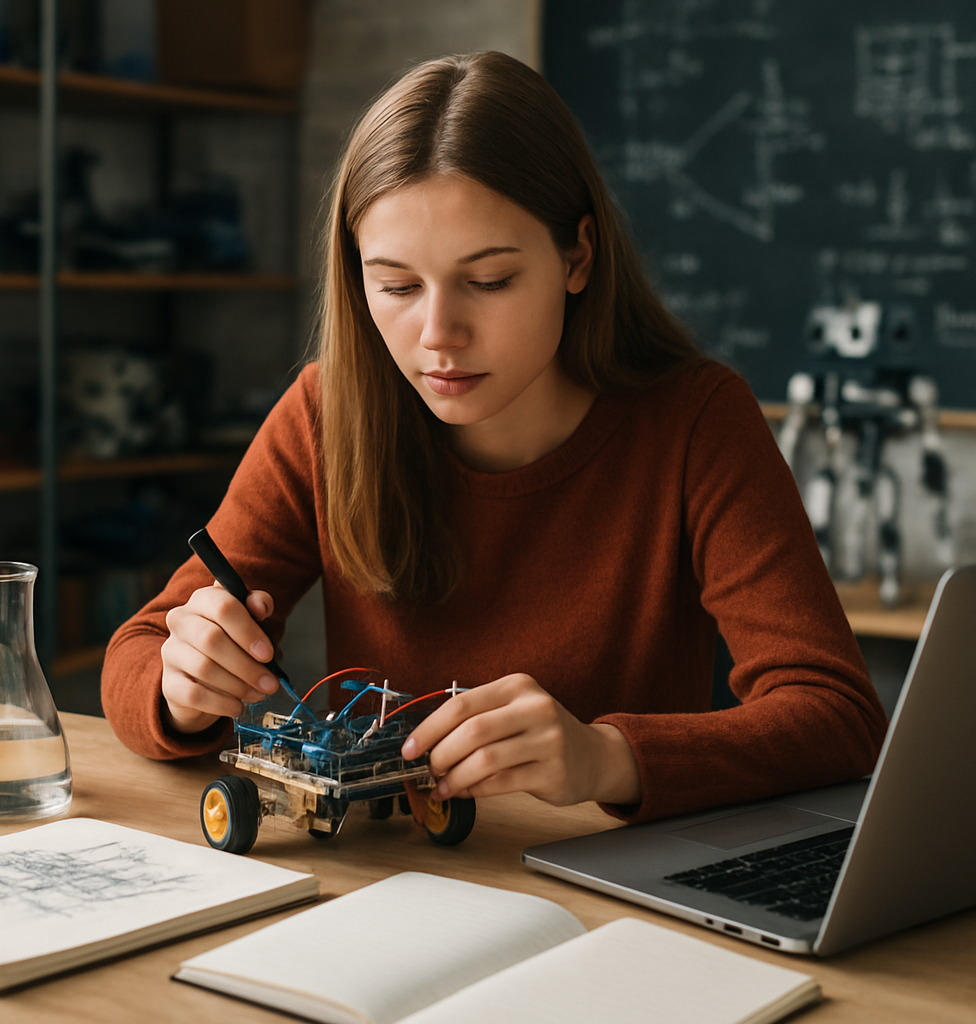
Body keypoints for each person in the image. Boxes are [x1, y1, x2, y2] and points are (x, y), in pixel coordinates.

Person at [101, 51, 887, 823]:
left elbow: (836, 716)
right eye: (398, 285)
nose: (439, 334)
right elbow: (136, 652)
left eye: (489, 281)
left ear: (577, 256)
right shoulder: (326, 414)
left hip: (617, 903)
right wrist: (183, 682)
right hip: (383, 891)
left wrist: (603, 756)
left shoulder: (695, 421)